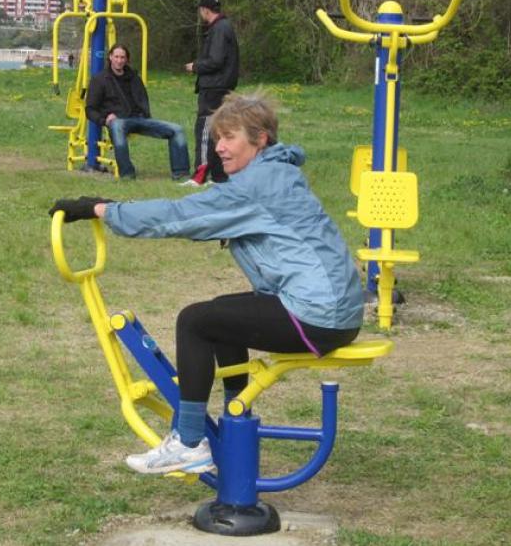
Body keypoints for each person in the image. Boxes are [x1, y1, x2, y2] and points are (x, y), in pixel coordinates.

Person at [49, 93, 364, 474]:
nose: (220, 147)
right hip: (334, 311)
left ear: (260, 139)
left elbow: (180, 214)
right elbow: (197, 217)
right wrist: (114, 206)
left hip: (317, 314)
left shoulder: (257, 185)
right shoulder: (274, 174)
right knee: (223, 317)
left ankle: (189, 441)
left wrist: (101, 209)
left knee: (196, 321)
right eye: (218, 138)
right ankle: (236, 419)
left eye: (230, 138)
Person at [85, 44, 190, 181]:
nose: (119, 60)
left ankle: (181, 173)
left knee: (177, 130)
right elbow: (90, 109)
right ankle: (127, 174)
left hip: (140, 118)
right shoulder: (99, 80)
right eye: (116, 57)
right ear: (110, 57)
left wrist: (144, 113)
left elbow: (142, 98)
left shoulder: (134, 77)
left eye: (122, 57)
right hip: (118, 121)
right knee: (117, 126)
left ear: (127, 59)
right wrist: (104, 119)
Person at [182, 0, 239, 187]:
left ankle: (200, 176)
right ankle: (218, 176)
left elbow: (215, 60)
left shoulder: (219, 29)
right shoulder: (223, 27)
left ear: (204, 10)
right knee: (218, 132)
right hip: (220, 86)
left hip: (215, 87)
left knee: (205, 130)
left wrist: (195, 66)